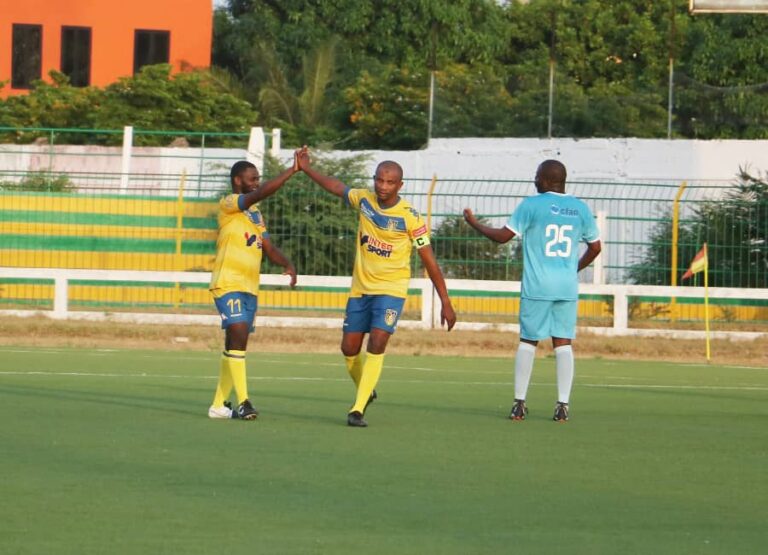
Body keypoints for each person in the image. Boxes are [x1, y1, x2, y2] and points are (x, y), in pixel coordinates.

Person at [296, 149, 457, 427]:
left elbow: (429, 261)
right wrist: (307, 169)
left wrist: (445, 301)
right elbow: (337, 187)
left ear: (400, 185)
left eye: (390, 182)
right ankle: (366, 390)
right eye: (379, 180)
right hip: (360, 289)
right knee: (349, 348)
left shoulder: (410, 217)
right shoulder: (364, 200)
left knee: (378, 341)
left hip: (391, 290)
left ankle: (357, 409)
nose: (383, 187)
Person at [463, 160, 601, 423]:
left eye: (537, 176)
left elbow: (502, 237)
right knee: (563, 343)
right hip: (565, 287)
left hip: (538, 285)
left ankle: (519, 404)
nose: (534, 180)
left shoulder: (531, 205)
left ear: (548, 180)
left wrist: (473, 223)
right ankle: (562, 406)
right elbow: (595, 248)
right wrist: (573, 268)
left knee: (528, 341)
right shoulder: (581, 208)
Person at [207, 155, 301, 420]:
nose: (256, 183)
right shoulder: (229, 204)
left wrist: (288, 264)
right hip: (228, 282)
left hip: (249, 286)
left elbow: (268, 248)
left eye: (258, 179)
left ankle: (218, 405)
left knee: (234, 343)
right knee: (238, 335)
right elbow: (262, 193)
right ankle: (244, 401)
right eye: (252, 179)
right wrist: (292, 170)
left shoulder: (255, 214)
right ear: (238, 181)